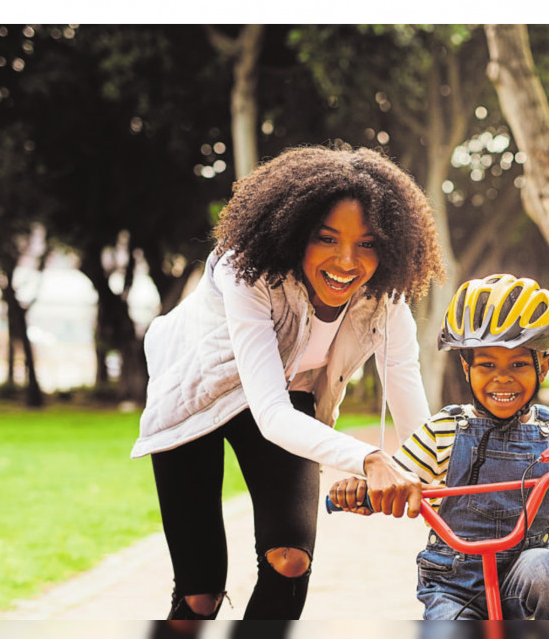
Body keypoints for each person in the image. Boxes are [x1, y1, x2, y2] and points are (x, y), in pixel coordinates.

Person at [131, 145, 446, 620]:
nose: (346, 261)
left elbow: (402, 377)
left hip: (289, 395)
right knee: (201, 595)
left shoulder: (385, 295)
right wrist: (369, 459)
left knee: (290, 560)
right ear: (295, 233)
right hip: (195, 400)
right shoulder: (248, 270)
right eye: (327, 239)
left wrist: (433, 468)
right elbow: (269, 414)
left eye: (366, 244)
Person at [329, 274, 549, 619]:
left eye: (519, 364)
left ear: (546, 364)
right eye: (487, 364)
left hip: (523, 574)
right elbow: (398, 479)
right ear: (466, 366)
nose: (502, 377)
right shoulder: (443, 430)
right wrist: (360, 491)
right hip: (453, 584)